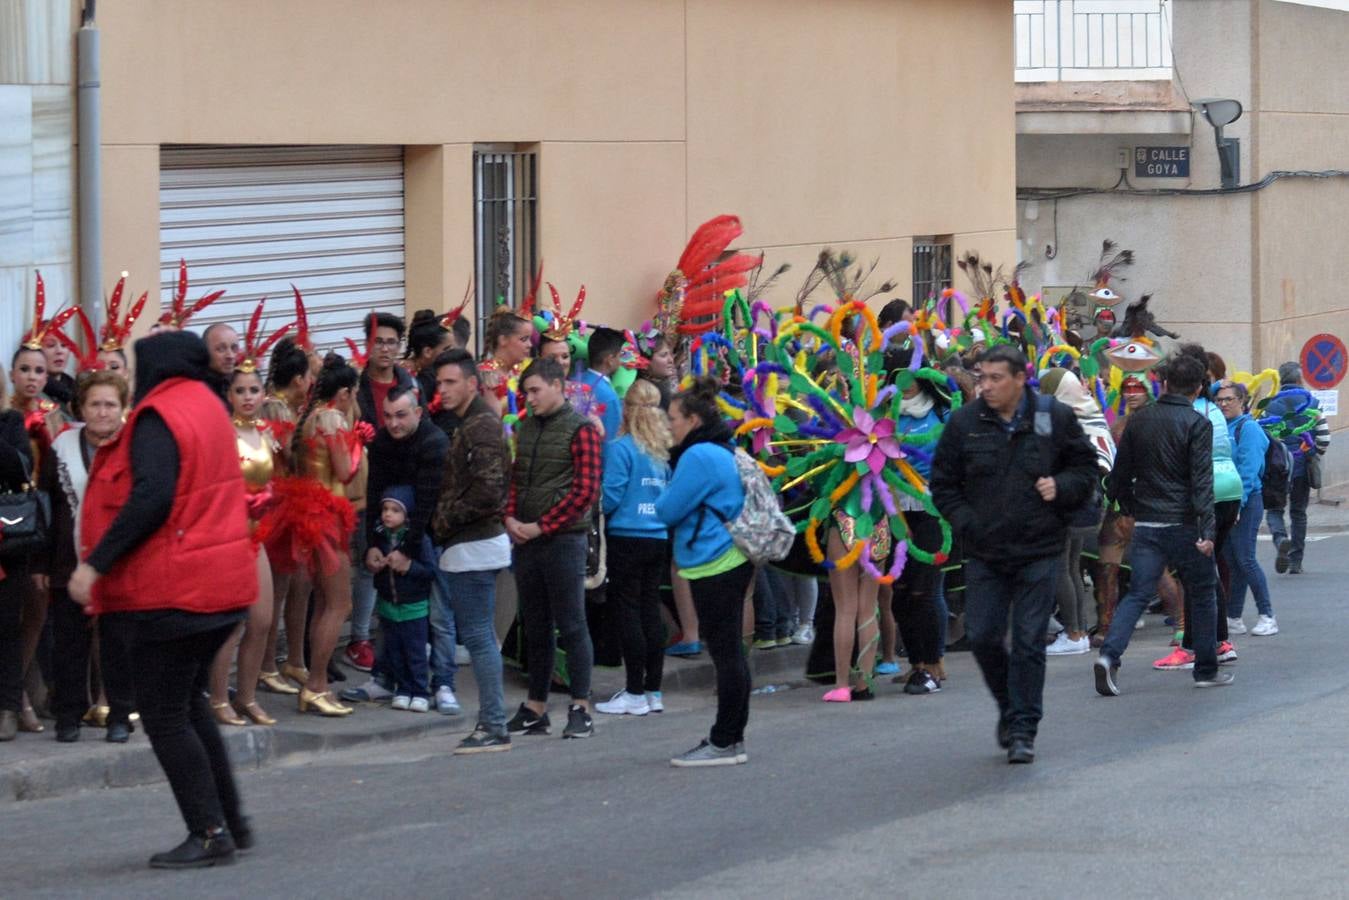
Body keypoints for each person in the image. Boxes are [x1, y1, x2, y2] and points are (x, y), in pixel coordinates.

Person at [69, 330, 257, 868]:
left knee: (165, 714)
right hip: (223, 581)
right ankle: (231, 821)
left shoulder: (159, 415)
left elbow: (152, 495)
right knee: (189, 703)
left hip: (178, 590)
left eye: (135, 363)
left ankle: (210, 831)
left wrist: (96, 562)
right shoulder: (208, 405)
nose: (132, 372)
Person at [931, 345, 1097, 764]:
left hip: (1040, 549)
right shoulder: (965, 423)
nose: (984, 385)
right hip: (986, 552)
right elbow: (943, 485)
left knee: (1028, 641)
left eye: (994, 378)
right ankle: (1009, 705)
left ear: (1021, 379)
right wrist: (967, 522)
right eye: (981, 377)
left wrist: (1061, 486)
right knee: (984, 636)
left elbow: (1085, 469)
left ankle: (1024, 728)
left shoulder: (1053, 418)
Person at [1093, 354, 1234, 697]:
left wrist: (1129, 506)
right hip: (1185, 523)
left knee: (1139, 593)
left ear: (1165, 383)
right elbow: (1201, 482)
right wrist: (1207, 531)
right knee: (1202, 594)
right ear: (1199, 387)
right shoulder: (1197, 423)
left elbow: (1119, 474)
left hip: (1148, 522)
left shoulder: (1139, 421)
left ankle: (1109, 655)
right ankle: (1205, 668)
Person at [258, 353, 368, 716]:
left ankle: (311, 678)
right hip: (328, 517)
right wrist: (358, 443)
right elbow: (345, 470)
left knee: (324, 601)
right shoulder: (333, 418)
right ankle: (316, 685)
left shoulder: (308, 418)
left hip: (314, 514)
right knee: (338, 604)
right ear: (346, 392)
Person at [503, 357, 601, 740]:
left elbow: (585, 492)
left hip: (563, 540)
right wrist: (510, 518)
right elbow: (515, 479)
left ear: (558, 386)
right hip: (527, 540)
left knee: (572, 625)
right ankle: (535, 707)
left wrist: (542, 525)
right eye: (525, 392)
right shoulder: (526, 428)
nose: (529, 399)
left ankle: (581, 707)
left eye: (535, 391)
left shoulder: (581, 430)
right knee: (536, 625)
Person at [656, 376, 750, 766]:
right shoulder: (719, 449)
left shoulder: (698, 457)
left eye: (673, 418)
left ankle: (725, 741)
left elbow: (666, 510)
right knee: (730, 652)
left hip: (717, 562)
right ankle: (729, 738)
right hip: (726, 559)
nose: (668, 425)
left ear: (693, 419)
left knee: (726, 654)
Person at [44, 370, 136, 743]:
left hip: (120, 564)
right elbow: (49, 509)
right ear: (80, 407)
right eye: (94, 404)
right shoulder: (61, 447)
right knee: (69, 644)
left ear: (121, 408)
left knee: (118, 645)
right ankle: (68, 715)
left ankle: (120, 715)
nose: (102, 412)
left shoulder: (135, 446)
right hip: (69, 562)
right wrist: (42, 566)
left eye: (109, 405)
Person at [430, 349, 513, 753]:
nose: (441, 390)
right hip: (474, 544)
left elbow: (488, 490)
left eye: (449, 382)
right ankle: (493, 722)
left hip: (474, 545)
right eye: (438, 382)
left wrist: (443, 521)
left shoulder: (480, 425)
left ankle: (494, 725)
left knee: (479, 637)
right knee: (481, 636)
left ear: (470, 383)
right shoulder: (473, 421)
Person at [206, 349, 284, 727]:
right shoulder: (221, 433)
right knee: (232, 624)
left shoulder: (265, 434)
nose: (249, 396)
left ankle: (248, 697)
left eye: (254, 389)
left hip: (258, 537)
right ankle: (220, 698)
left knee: (263, 620)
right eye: (241, 390)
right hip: (230, 539)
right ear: (229, 395)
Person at [363, 385, 452, 712]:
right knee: (388, 612)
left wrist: (409, 550)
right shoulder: (383, 443)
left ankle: (443, 682)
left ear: (418, 412)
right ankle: (386, 678)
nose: (394, 423)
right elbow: (374, 498)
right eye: (387, 416)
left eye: (401, 415)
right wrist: (374, 543)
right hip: (391, 536)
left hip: (433, 537)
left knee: (439, 617)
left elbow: (427, 505)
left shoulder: (434, 442)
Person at [595, 380, 673, 717]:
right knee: (649, 609)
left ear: (627, 409)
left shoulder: (621, 448)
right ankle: (653, 690)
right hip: (657, 536)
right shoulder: (660, 454)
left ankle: (634, 691)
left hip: (626, 537)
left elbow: (610, 497)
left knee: (627, 611)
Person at [347, 312, 417, 673]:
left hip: (400, 483)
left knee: (398, 552)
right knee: (366, 557)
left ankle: (391, 633)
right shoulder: (354, 386)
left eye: (392, 342)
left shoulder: (408, 382)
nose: (385, 349)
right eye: (379, 342)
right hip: (364, 485)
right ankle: (358, 637)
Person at [1038, 368, 1115, 657]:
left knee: (1060, 567)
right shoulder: (1088, 408)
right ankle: (1079, 629)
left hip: (1065, 503)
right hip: (1088, 504)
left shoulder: (1058, 416)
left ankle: (1073, 633)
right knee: (1072, 566)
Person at [255, 337, 311, 697]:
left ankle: (293, 660)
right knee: (276, 591)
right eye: (309, 376)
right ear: (297, 380)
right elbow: (290, 456)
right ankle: (265, 666)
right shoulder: (276, 410)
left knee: (296, 585)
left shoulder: (285, 407)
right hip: (277, 506)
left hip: (291, 505)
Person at [1217, 381, 1277, 636]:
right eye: (1219, 399)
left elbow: (1249, 471)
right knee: (1233, 560)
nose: (1224, 404)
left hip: (1247, 501)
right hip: (1229, 501)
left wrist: (1238, 505)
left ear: (1242, 401)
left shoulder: (1248, 428)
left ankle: (1267, 616)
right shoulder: (1222, 427)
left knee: (1246, 558)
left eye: (1229, 399)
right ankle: (1234, 617)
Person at [368, 486, 434, 712]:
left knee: (415, 652)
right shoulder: (380, 538)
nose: (388, 514)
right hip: (388, 608)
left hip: (413, 608)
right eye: (385, 509)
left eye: (395, 510)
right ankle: (403, 690)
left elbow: (430, 571)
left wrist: (410, 567)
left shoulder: (418, 541)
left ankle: (420, 691)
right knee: (394, 652)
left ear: (407, 515)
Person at [1264, 361, 1332, 575]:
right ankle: (1295, 561)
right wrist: (1312, 454)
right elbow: (1324, 439)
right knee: (1298, 512)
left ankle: (1280, 538)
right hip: (1302, 464)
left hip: (1278, 466)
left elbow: (1265, 437)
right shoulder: (1312, 402)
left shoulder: (1270, 405)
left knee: (1274, 509)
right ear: (1299, 379)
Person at [0, 370, 36, 742]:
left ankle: (7, 707)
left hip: (6, 536)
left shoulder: (10, 422)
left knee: (7, 626)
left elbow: (20, 466)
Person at [479, 307, 533, 416]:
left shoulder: (525, 371)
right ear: (503, 340)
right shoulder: (485, 374)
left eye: (530, 339)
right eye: (524, 339)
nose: (530, 345)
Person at [576, 326, 624, 444]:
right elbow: (611, 441)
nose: (621, 361)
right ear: (610, 359)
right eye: (620, 355)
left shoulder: (574, 380)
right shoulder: (609, 397)